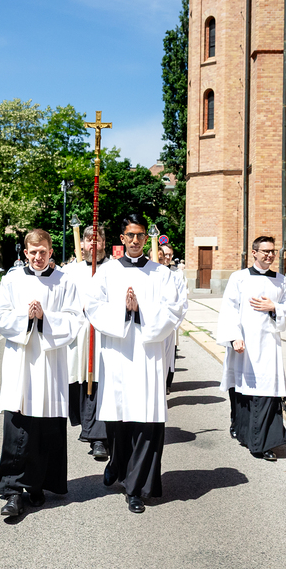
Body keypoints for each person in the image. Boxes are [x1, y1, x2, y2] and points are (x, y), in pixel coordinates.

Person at [84, 214, 185, 514]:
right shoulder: (106, 272)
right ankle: (117, 464)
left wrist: (141, 312)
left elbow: (176, 309)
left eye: (141, 235)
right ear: (123, 238)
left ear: (146, 238)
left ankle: (136, 489)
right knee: (118, 423)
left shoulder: (162, 274)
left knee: (146, 423)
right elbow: (92, 306)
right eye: (131, 235)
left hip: (147, 357)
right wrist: (123, 311)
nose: (136, 240)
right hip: (118, 356)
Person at [0, 229, 84, 517]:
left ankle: (38, 485)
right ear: (25, 253)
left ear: (51, 251)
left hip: (50, 363)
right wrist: (25, 317)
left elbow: (75, 320)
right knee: (18, 425)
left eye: (43, 251)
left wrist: (45, 318)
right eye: (33, 252)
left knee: (46, 428)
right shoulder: (12, 279)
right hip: (21, 362)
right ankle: (12, 490)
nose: (38, 257)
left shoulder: (64, 281)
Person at [215, 235, 286, 462]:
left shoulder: (281, 281)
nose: (269, 255)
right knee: (242, 389)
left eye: (272, 251)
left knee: (267, 392)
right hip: (244, 344)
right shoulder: (239, 278)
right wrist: (234, 337)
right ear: (254, 253)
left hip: (269, 344)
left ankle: (264, 442)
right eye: (265, 251)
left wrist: (274, 307)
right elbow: (229, 309)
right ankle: (242, 429)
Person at [62, 226, 111, 460]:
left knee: (101, 382)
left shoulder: (114, 270)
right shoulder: (70, 272)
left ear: (104, 244)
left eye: (98, 240)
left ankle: (98, 437)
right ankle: (88, 427)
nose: (93, 245)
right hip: (79, 336)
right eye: (89, 240)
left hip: (104, 336)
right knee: (80, 384)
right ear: (81, 244)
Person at [158, 244, 189, 394]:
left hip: (170, 321)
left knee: (169, 355)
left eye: (170, 255)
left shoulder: (177, 273)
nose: (168, 257)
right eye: (165, 254)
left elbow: (182, 298)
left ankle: (167, 383)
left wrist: (174, 321)